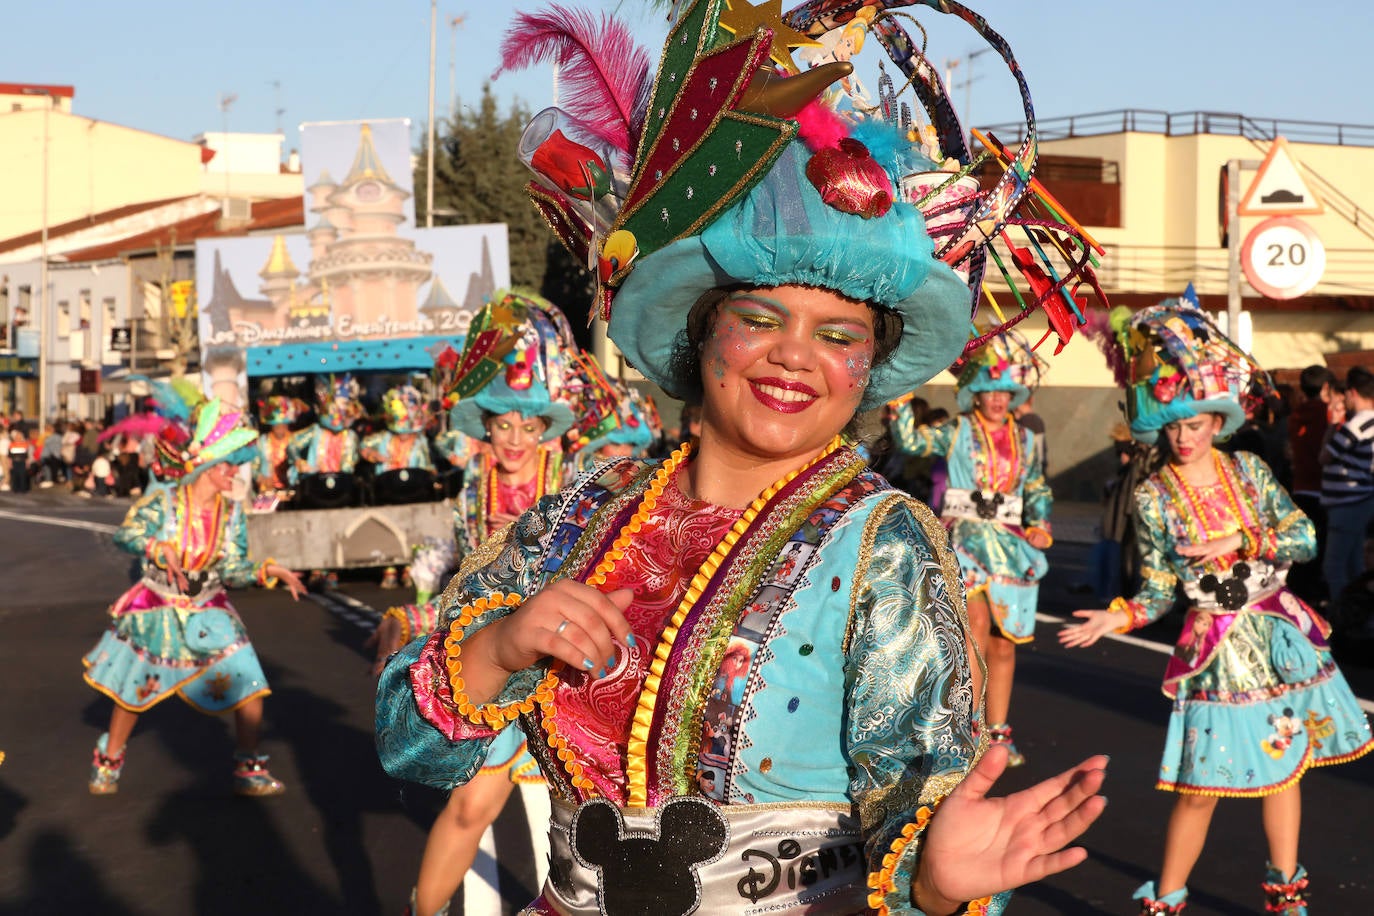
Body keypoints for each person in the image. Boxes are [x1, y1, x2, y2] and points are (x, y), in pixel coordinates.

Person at [376, 5, 1110, 911]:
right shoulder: (583, 511)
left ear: (867, 369)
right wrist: (497, 647)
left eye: (838, 333)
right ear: (701, 334)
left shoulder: (881, 544)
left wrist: (937, 878)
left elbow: (922, 794)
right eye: (761, 319)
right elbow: (407, 740)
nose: (795, 355)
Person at [1059, 301, 1373, 915]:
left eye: (1195, 423)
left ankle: (1286, 895)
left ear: (1214, 419)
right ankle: (1167, 899)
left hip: (1278, 638)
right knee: (1198, 786)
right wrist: (1115, 617)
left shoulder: (1250, 472)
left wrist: (1242, 539)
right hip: (1215, 653)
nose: (1183, 437)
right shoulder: (1152, 497)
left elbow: (1304, 536)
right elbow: (1155, 589)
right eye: (1172, 427)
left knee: (1287, 770)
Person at [375, 292, 577, 916]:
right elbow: (465, 576)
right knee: (471, 806)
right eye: (502, 424)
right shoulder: (472, 490)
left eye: (528, 425)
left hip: (566, 671)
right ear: (485, 424)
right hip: (496, 665)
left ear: (545, 428)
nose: (515, 439)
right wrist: (410, 613)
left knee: (589, 820)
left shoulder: (574, 485)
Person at [82, 397, 306, 795]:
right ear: (207, 466)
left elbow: (233, 568)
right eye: (229, 464)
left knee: (250, 683)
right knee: (132, 693)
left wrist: (269, 570)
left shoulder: (232, 513)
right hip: (158, 607)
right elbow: (125, 535)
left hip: (209, 606)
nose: (235, 472)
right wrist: (157, 547)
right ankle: (110, 758)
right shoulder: (164, 502)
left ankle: (249, 768)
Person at [889, 332, 1052, 767]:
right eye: (987, 389)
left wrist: (1041, 525)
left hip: (1010, 548)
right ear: (974, 392)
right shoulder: (957, 430)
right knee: (974, 627)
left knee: (1004, 642)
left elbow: (1035, 487)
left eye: (1003, 390)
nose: (996, 399)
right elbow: (912, 442)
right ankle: (969, 728)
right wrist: (902, 396)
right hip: (962, 541)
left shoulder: (1028, 441)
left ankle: (999, 731)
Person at [362, 385, 436, 588]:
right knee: (388, 528)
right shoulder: (383, 438)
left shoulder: (420, 442)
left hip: (415, 492)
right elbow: (363, 446)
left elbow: (429, 464)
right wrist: (372, 455)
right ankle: (390, 567)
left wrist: (432, 473)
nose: (404, 435)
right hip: (388, 491)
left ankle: (410, 568)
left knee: (415, 529)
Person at [1319, 366, 1374, 621]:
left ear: (1352, 393)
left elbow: (1325, 456)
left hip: (1347, 504)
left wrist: (1332, 425)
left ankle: (1342, 619)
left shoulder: (1356, 424)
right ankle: (1359, 616)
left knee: (1335, 567)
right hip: (1361, 501)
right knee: (1355, 566)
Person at [1286, 365, 1335, 606]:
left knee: (1304, 545)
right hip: (1323, 487)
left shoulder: (1296, 414)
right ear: (1326, 387)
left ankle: (1299, 593)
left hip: (1300, 485)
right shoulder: (1327, 414)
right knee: (1322, 546)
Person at [252, 395, 302, 497]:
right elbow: (252, 466)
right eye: (277, 426)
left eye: (283, 425)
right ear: (271, 426)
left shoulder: (295, 440)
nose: (280, 428)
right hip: (268, 491)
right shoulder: (262, 441)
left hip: (292, 490)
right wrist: (261, 478)